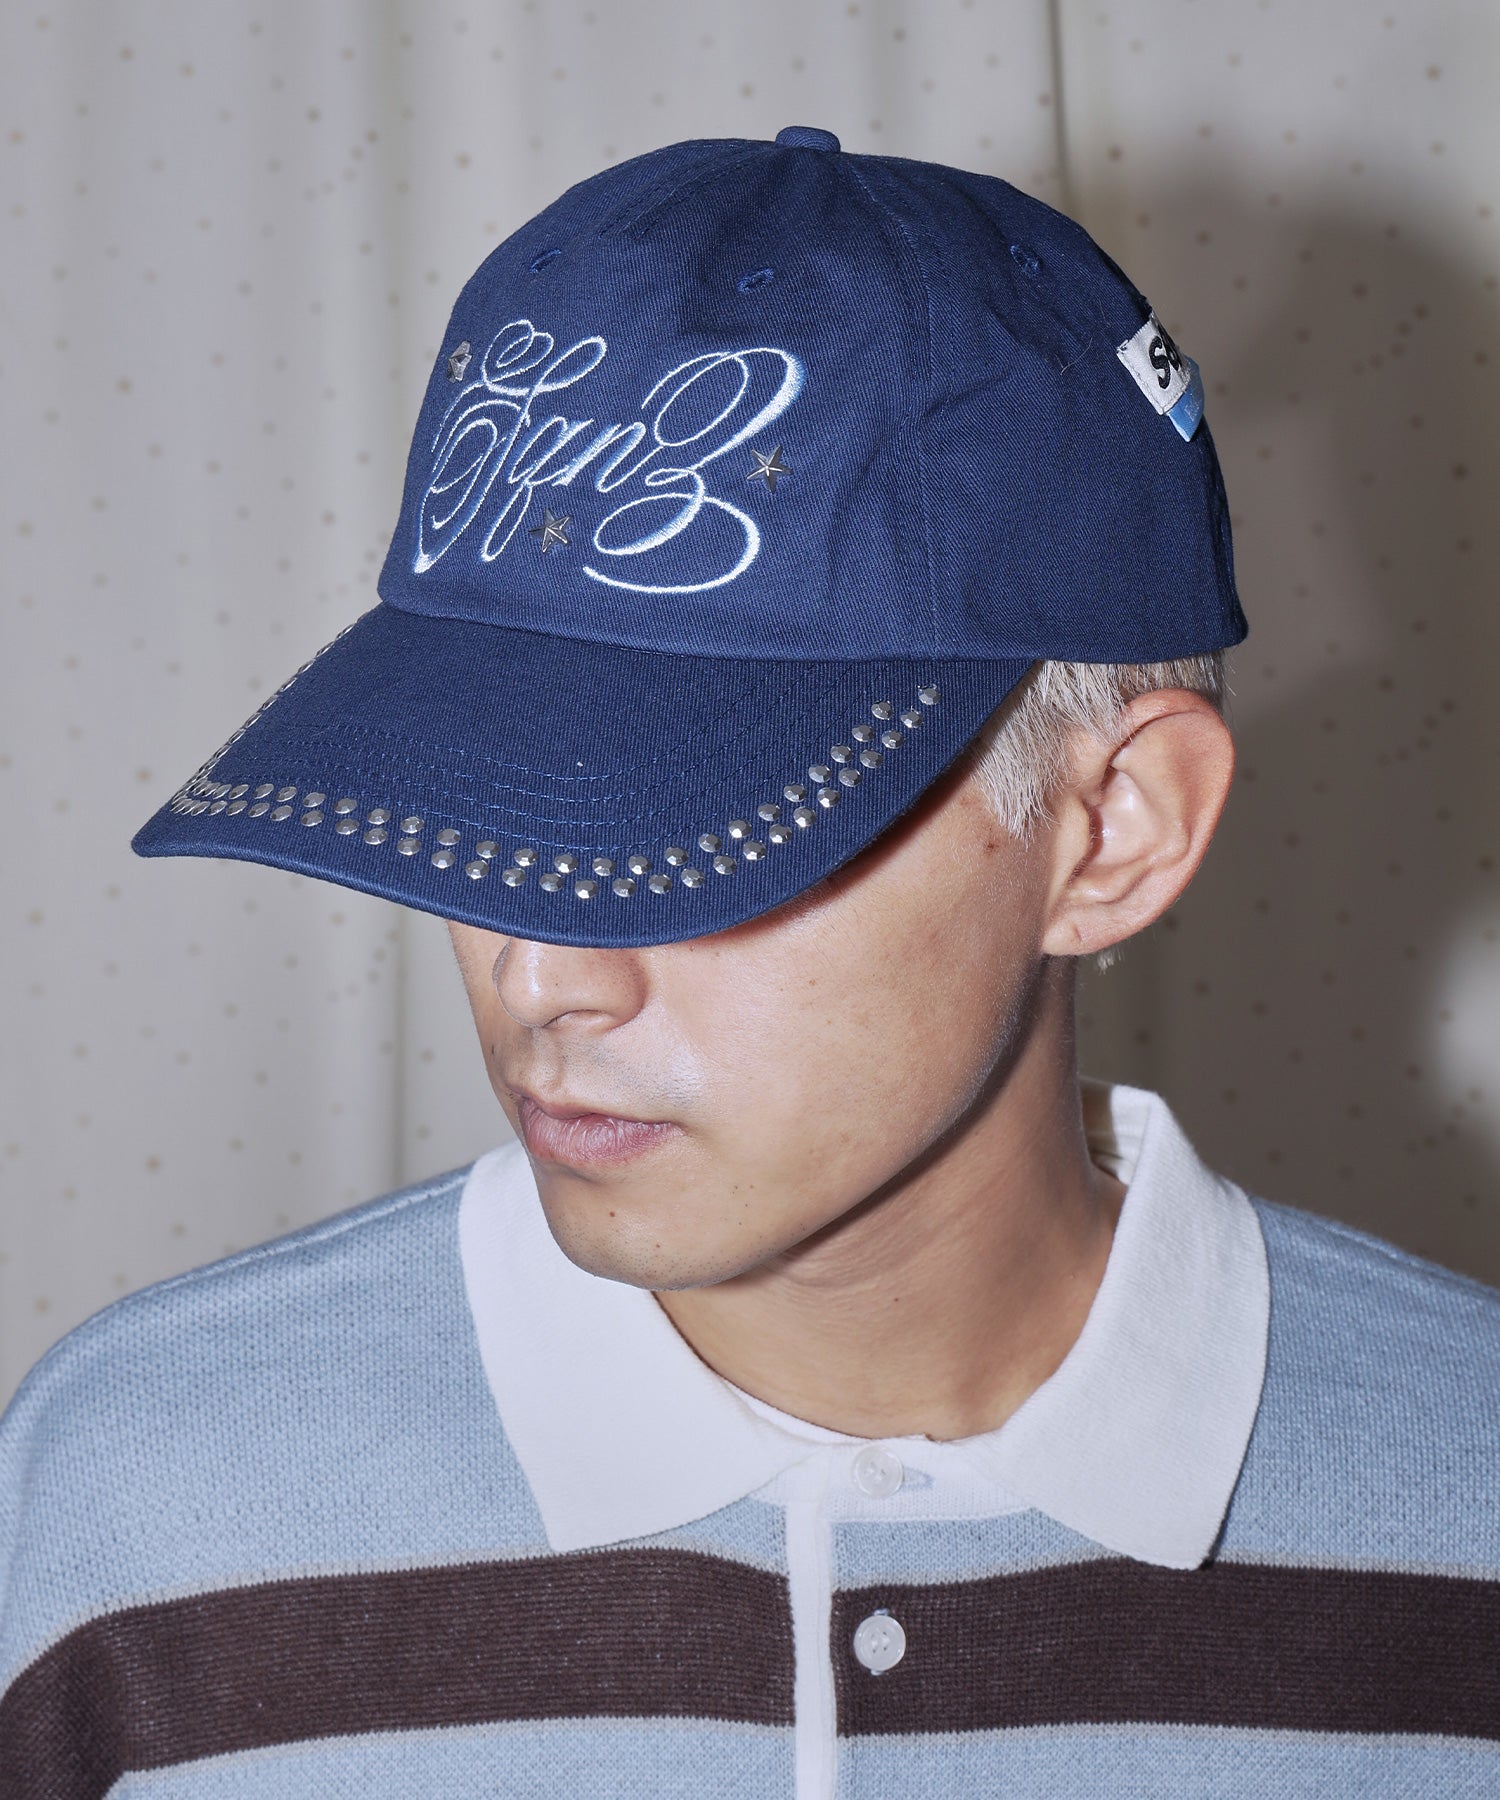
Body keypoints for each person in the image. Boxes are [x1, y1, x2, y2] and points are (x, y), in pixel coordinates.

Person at [2, 125, 1497, 1800]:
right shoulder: (137, 1507)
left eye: (703, 836)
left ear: (1111, 831)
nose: (541, 981)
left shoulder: (1468, 1506)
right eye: (480, 805)